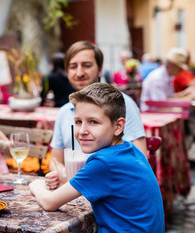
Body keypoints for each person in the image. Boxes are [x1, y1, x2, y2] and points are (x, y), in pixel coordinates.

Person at [29, 83, 165, 233]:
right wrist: (67, 182)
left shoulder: (104, 162)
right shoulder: (130, 150)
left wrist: (36, 185)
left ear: (118, 126)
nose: (82, 131)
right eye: (78, 121)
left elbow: (49, 202)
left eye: (93, 122)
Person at [46, 41, 147, 189]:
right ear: (67, 72)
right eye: (73, 67)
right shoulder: (64, 112)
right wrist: (60, 174)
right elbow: (55, 160)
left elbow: (140, 158)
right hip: (74, 192)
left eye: (86, 65)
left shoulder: (122, 104)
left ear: (100, 70)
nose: (79, 73)